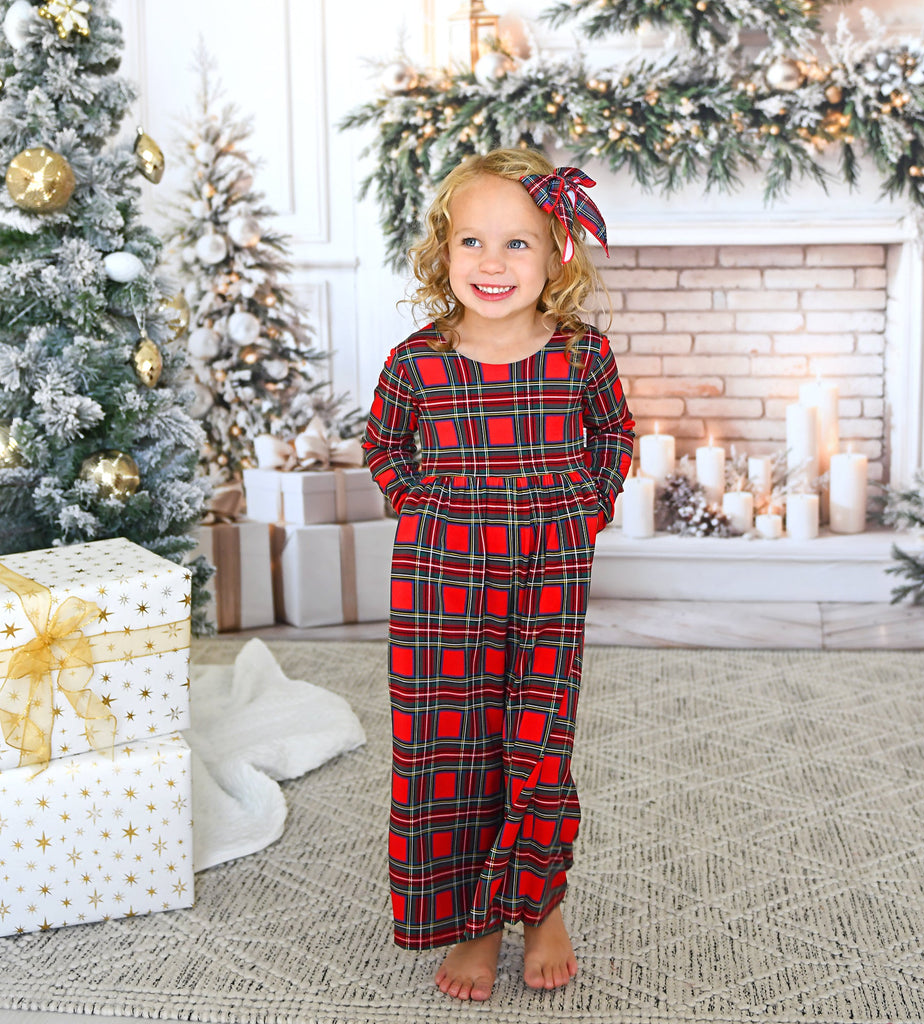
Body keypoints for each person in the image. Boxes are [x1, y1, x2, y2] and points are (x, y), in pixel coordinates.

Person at [362, 147, 635, 1001]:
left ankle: (540, 904)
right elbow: (383, 445)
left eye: (518, 243)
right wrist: (420, 507)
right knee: (449, 746)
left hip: (550, 570)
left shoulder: (582, 357)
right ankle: (472, 922)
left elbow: (615, 436)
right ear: (443, 253)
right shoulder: (417, 362)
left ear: (557, 254)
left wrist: (587, 506)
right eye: (472, 241)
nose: (493, 262)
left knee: (538, 738)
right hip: (439, 578)